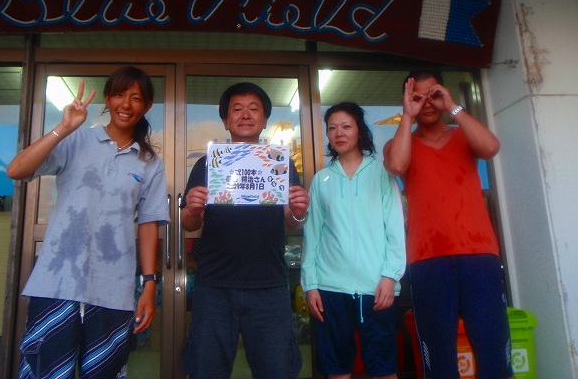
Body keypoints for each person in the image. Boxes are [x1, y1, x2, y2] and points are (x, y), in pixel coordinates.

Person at [7, 66, 169, 379]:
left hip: (114, 289)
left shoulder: (149, 162)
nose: (126, 104)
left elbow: (149, 223)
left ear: (147, 106)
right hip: (57, 282)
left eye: (136, 98)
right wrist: (63, 127)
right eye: (119, 95)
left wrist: (149, 283)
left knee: (104, 372)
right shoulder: (76, 139)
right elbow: (16, 170)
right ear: (107, 99)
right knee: (49, 373)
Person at [383, 71, 514, 379]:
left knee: (494, 354)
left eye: (433, 94)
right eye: (418, 97)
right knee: (439, 362)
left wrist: (453, 107)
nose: (427, 103)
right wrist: (407, 115)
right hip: (428, 259)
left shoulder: (462, 134)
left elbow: (491, 148)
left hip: (479, 255)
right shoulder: (400, 143)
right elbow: (397, 165)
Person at [180, 82, 310, 379]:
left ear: (264, 120)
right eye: (237, 109)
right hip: (214, 285)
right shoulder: (207, 164)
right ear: (226, 121)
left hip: (269, 286)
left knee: (277, 371)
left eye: (254, 109)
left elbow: (292, 220)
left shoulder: (280, 163)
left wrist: (300, 211)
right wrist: (192, 209)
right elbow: (190, 223)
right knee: (206, 371)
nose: (246, 115)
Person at [302, 102, 406, 379]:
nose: (339, 133)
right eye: (332, 128)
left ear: (360, 130)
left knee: (384, 369)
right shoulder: (321, 180)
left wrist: (390, 275)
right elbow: (312, 235)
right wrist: (310, 285)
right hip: (330, 289)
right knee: (337, 370)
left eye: (346, 126)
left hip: (378, 288)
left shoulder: (382, 174)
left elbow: (395, 228)